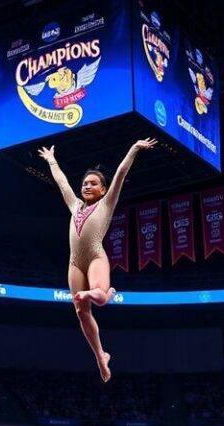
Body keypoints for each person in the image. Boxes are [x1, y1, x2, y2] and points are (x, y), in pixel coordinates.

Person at [38, 138, 157, 381]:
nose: (87, 186)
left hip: (95, 257)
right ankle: (100, 355)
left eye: (93, 183)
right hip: (74, 263)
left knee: (99, 299)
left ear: (103, 189)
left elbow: (121, 172)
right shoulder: (75, 206)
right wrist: (52, 161)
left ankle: (103, 293)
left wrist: (134, 148)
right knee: (81, 311)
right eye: (84, 183)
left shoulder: (106, 203)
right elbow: (62, 184)